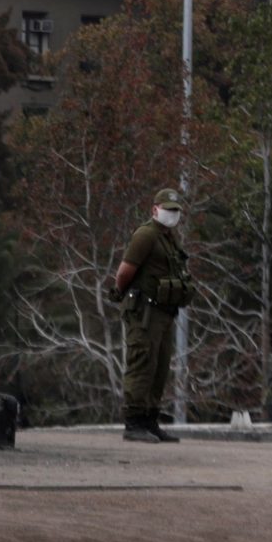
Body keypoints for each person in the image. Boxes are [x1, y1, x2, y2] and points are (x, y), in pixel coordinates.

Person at [109, 187, 191, 444]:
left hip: (164, 313)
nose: (172, 214)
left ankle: (150, 421)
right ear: (155, 209)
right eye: (168, 209)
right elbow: (124, 272)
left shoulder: (169, 237)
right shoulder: (146, 235)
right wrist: (120, 292)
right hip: (144, 311)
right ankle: (133, 423)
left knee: (160, 367)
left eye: (176, 210)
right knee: (141, 364)